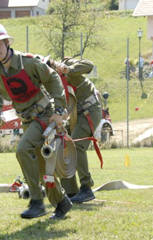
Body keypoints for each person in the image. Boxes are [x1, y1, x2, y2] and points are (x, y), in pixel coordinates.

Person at [0, 21, 72, 219]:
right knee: (41, 166)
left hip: (44, 115)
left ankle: (37, 201)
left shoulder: (28, 62)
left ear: (7, 42)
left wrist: (59, 109)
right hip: (26, 119)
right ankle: (62, 202)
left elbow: (53, 79)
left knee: (23, 150)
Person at [43, 56, 103, 203]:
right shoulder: (52, 82)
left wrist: (68, 69)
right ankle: (70, 191)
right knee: (63, 146)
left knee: (75, 146)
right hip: (76, 114)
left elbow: (89, 64)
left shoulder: (66, 67)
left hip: (90, 110)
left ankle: (86, 188)